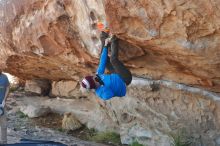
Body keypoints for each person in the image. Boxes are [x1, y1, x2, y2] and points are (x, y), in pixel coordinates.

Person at [81, 24, 132, 100]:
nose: (94, 76)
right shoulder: (101, 93)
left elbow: (102, 62)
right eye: (93, 79)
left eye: (92, 77)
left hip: (116, 74)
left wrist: (105, 46)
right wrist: (102, 85)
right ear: (94, 84)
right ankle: (114, 38)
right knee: (113, 60)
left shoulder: (97, 77)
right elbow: (110, 94)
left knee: (104, 60)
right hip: (125, 79)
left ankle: (104, 38)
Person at [0, 71, 9, 144]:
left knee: (4, 125)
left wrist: (4, 100)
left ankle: (4, 142)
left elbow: (8, 88)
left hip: (2, 105)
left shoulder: (4, 77)